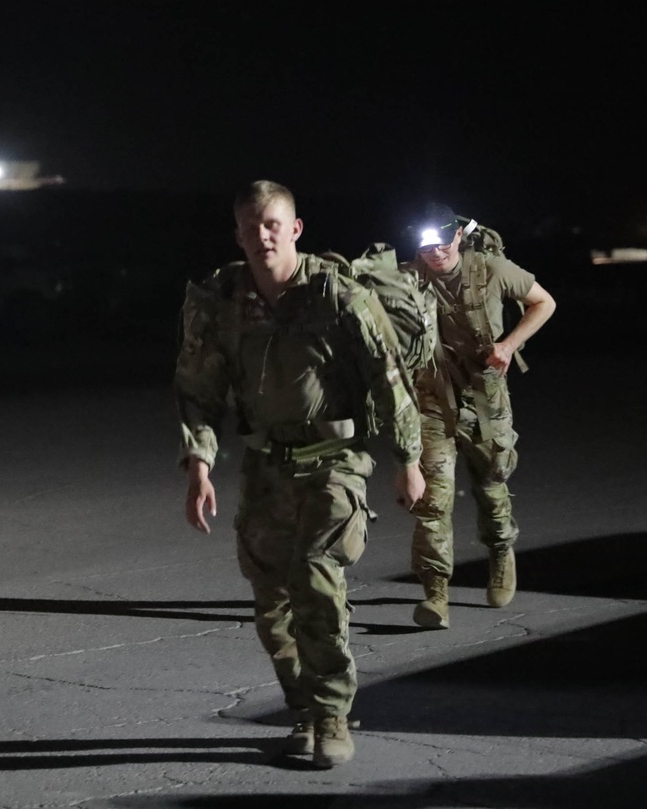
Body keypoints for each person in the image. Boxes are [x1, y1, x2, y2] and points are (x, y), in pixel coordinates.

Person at [174, 180, 425, 768]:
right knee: (272, 606)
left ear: (295, 229)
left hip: (334, 462)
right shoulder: (222, 300)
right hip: (265, 465)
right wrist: (200, 466)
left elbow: (390, 378)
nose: (263, 235)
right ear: (238, 234)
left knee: (316, 579)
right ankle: (305, 708)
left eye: (273, 224)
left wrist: (408, 461)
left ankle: (333, 713)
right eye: (251, 226)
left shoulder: (337, 295)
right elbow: (197, 390)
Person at [407, 202, 557, 630]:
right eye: (425, 246)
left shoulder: (489, 268)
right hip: (432, 400)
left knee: (491, 485)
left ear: (457, 235)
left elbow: (544, 302)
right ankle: (435, 595)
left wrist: (508, 346)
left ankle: (500, 551)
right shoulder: (409, 277)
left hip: (484, 400)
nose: (434, 253)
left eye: (441, 243)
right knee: (432, 501)